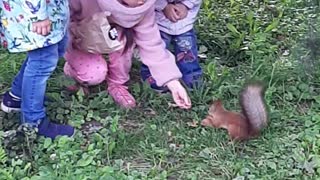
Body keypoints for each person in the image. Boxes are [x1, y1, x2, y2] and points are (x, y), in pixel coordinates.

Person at [64, 0, 192, 109]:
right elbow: (62, 18)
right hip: (82, 36)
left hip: (114, 34)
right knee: (94, 73)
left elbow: (152, 44)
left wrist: (173, 83)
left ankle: (117, 83)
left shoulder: (144, 6)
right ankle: (73, 71)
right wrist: (74, 37)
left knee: (124, 39)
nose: (143, 1)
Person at [0, 0, 75, 139]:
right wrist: (38, 16)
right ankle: (33, 122)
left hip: (50, 10)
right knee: (42, 61)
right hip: (34, 14)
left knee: (53, 51)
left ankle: (16, 97)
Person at [140, 0, 203, 92]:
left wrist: (186, 5)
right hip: (157, 19)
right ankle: (152, 75)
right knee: (155, 49)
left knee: (186, 50)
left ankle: (191, 75)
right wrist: (163, 6)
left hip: (185, 19)